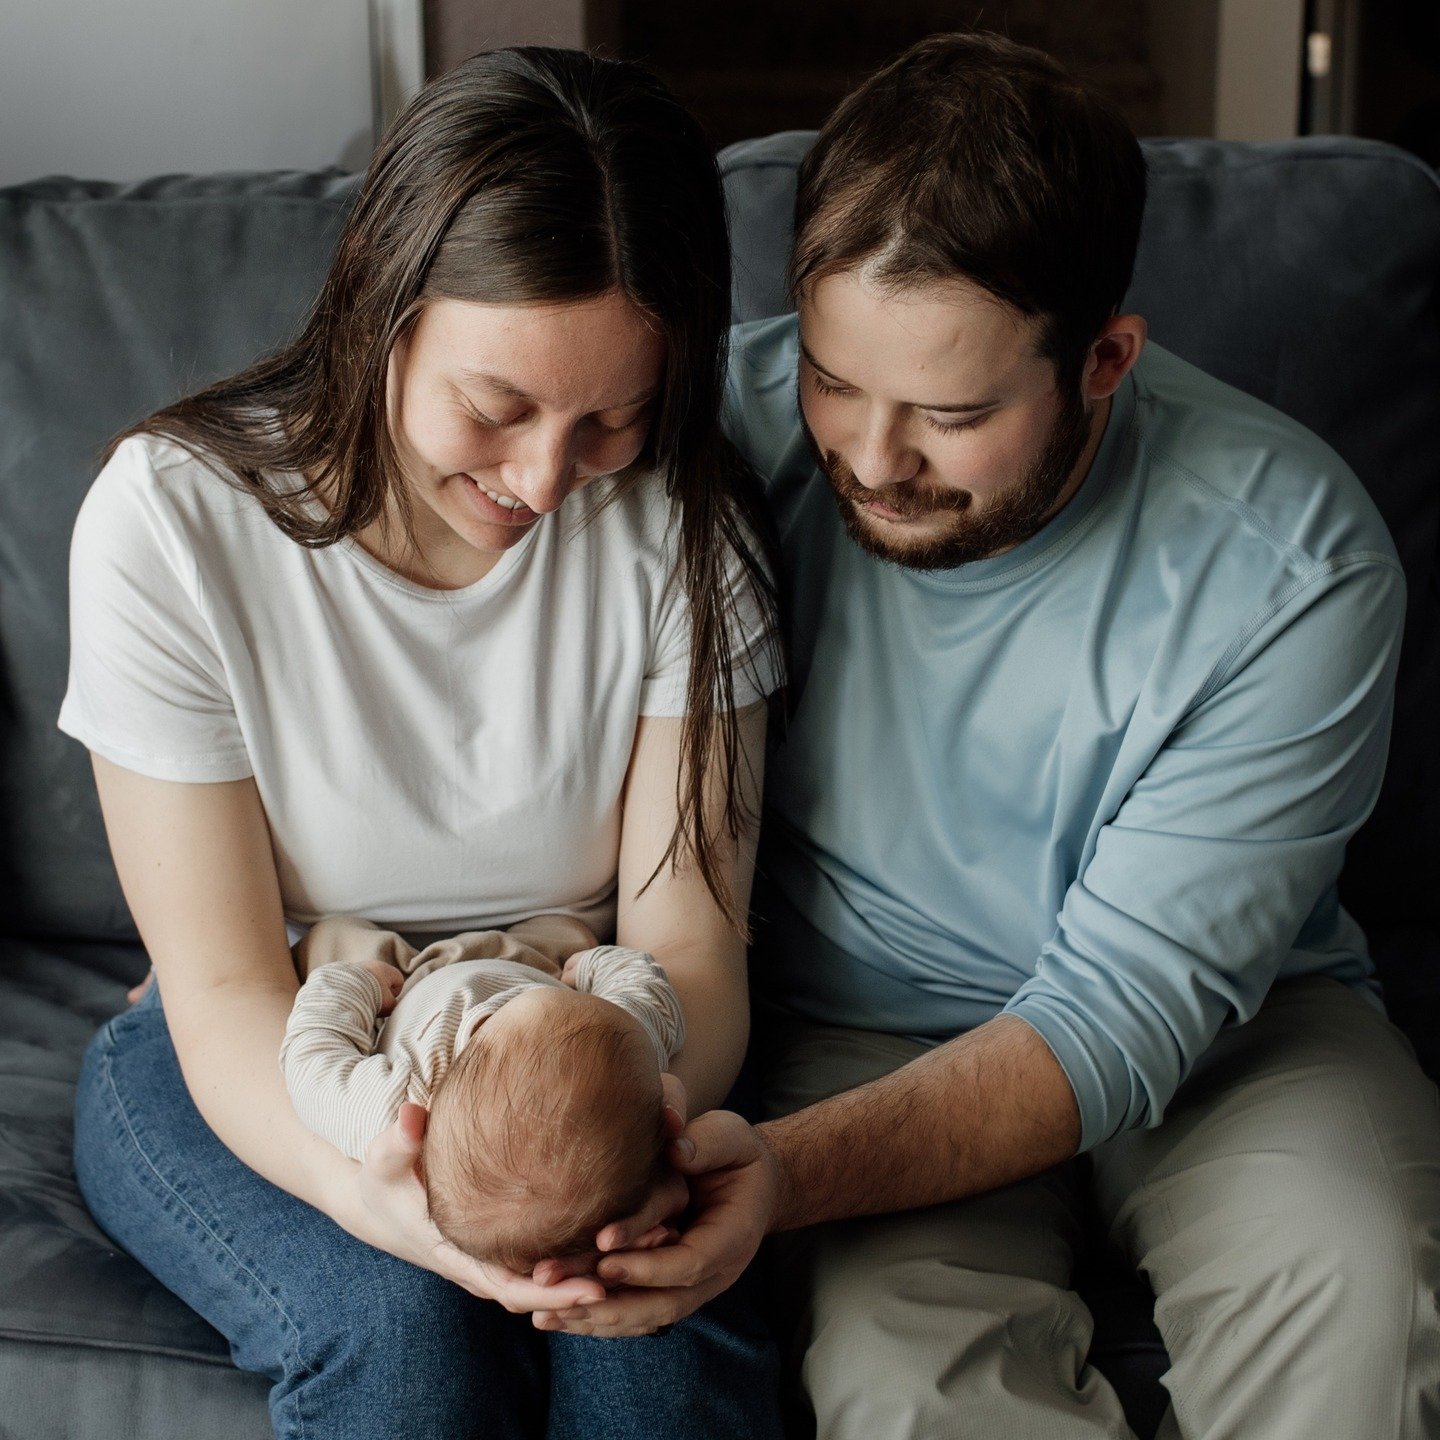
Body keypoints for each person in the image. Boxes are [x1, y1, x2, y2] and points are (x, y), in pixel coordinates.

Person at [537, 32, 1440, 1440]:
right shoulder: (715, 432)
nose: (874, 456)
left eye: (954, 413)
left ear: (1105, 360)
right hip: (860, 1032)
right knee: (909, 1395)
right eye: (837, 380)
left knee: (1359, 1298)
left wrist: (774, 1175)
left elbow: (1116, 1020)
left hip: (1241, 1029)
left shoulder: (1293, 558)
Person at [61, 46, 785, 1440]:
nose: (541, 481)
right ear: (380, 302)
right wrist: (380, 1185)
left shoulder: (681, 536)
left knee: (651, 1354)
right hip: (275, 1036)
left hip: (594, 1044)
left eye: (611, 422)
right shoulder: (172, 524)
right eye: (497, 408)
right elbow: (218, 995)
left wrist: (589, 1170)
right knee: (401, 1340)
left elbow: (693, 948)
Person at [280, 913, 686, 1270]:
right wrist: (600, 964)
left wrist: (356, 984)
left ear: (423, 1167)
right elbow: (649, 997)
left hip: (403, 982)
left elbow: (314, 1056)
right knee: (573, 934)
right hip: (535, 961)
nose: (493, 1006)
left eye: (489, 1022)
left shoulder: (398, 1108)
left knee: (329, 938)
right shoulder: (624, 1040)